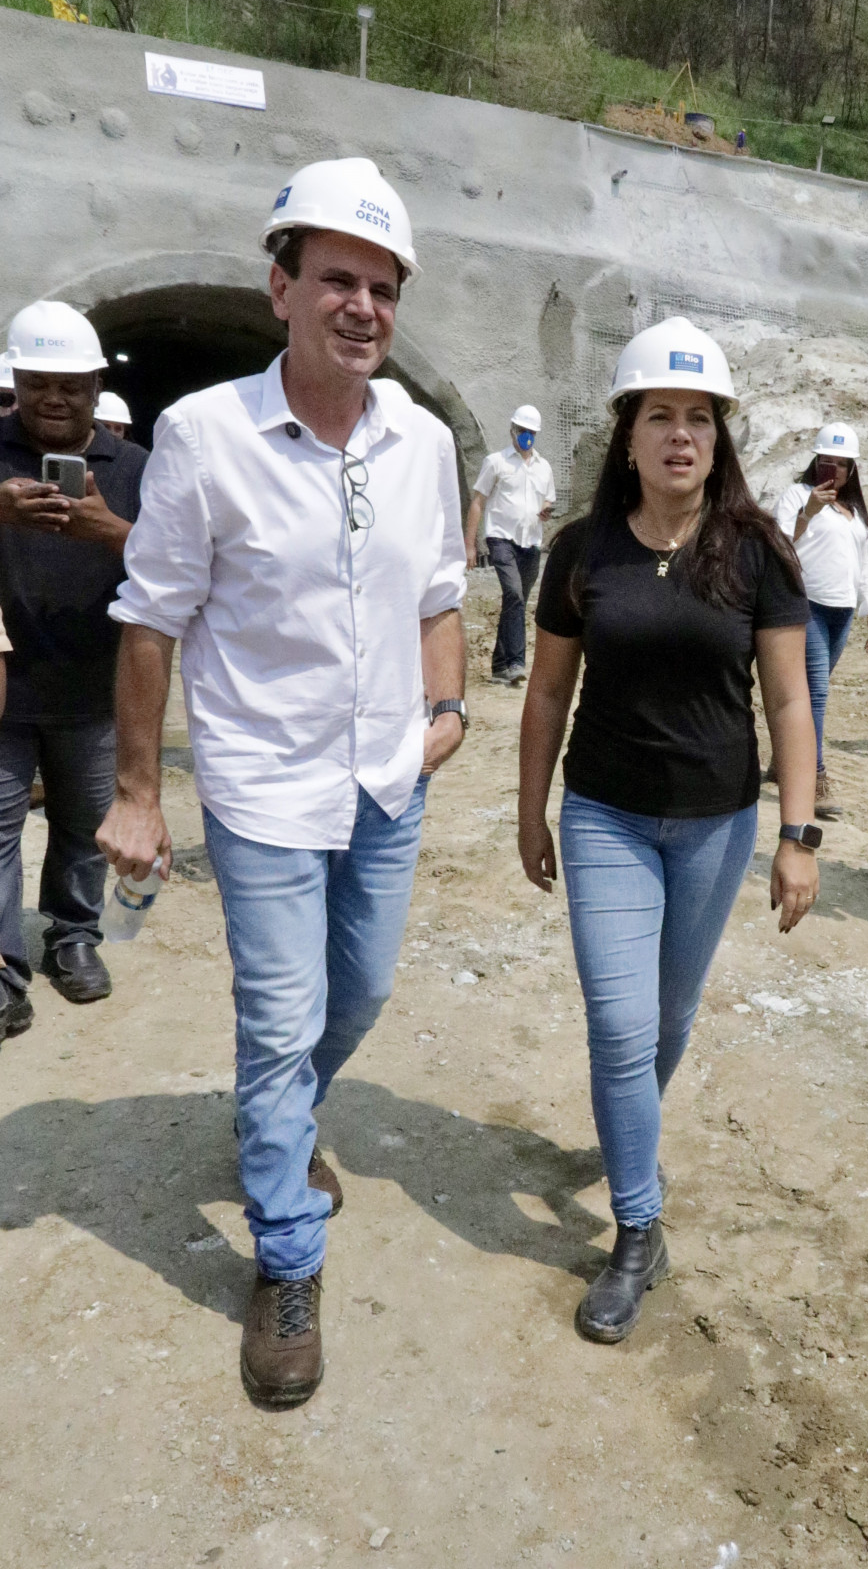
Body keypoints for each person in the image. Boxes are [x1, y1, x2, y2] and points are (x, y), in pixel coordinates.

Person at [97, 157, 469, 1409]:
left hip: (384, 782)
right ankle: (286, 1260)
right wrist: (141, 795)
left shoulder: (422, 441)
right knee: (278, 1019)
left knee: (353, 992)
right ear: (279, 286)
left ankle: (282, 1117)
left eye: (381, 287)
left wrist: (449, 711)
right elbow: (150, 623)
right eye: (335, 280)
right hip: (260, 787)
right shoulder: (204, 436)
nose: (361, 306)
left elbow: (439, 601)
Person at [518, 315, 820, 1344]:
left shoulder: (758, 554)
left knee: (669, 1017)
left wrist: (799, 835)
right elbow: (547, 695)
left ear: (719, 436)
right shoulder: (579, 551)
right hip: (603, 812)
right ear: (628, 432)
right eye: (660, 417)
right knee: (618, 1022)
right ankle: (637, 1229)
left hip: (715, 823)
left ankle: (623, 1130)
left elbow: (788, 705)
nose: (680, 436)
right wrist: (529, 808)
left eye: (698, 418)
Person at [0, 302, 147, 1024]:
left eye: (69, 384)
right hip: (2, 687)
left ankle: (73, 936)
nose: (52, 398)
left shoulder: (138, 469)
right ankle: (2, 970)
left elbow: (178, 567)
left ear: (95, 387)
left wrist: (110, 530)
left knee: (85, 823)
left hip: (95, 684)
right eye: (36, 383)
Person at [773, 424, 868, 821]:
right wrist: (809, 511)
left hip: (842, 611)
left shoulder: (854, 513)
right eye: (825, 462)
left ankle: (785, 756)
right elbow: (778, 544)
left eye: (840, 464)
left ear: (852, 470)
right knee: (816, 693)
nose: (832, 470)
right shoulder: (797, 496)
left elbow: (865, 560)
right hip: (806, 605)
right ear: (815, 462)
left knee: (812, 688)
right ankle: (813, 775)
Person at [464, 404, 556, 685]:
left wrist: (546, 509)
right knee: (514, 595)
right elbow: (478, 502)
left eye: (531, 432)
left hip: (531, 542)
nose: (526, 436)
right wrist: (470, 544)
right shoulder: (496, 462)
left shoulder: (543, 467)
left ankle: (500, 667)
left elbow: (548, 499)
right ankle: (516, 662)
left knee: (516, 601)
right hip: (501, 538)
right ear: (513, 430)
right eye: (522, 431)